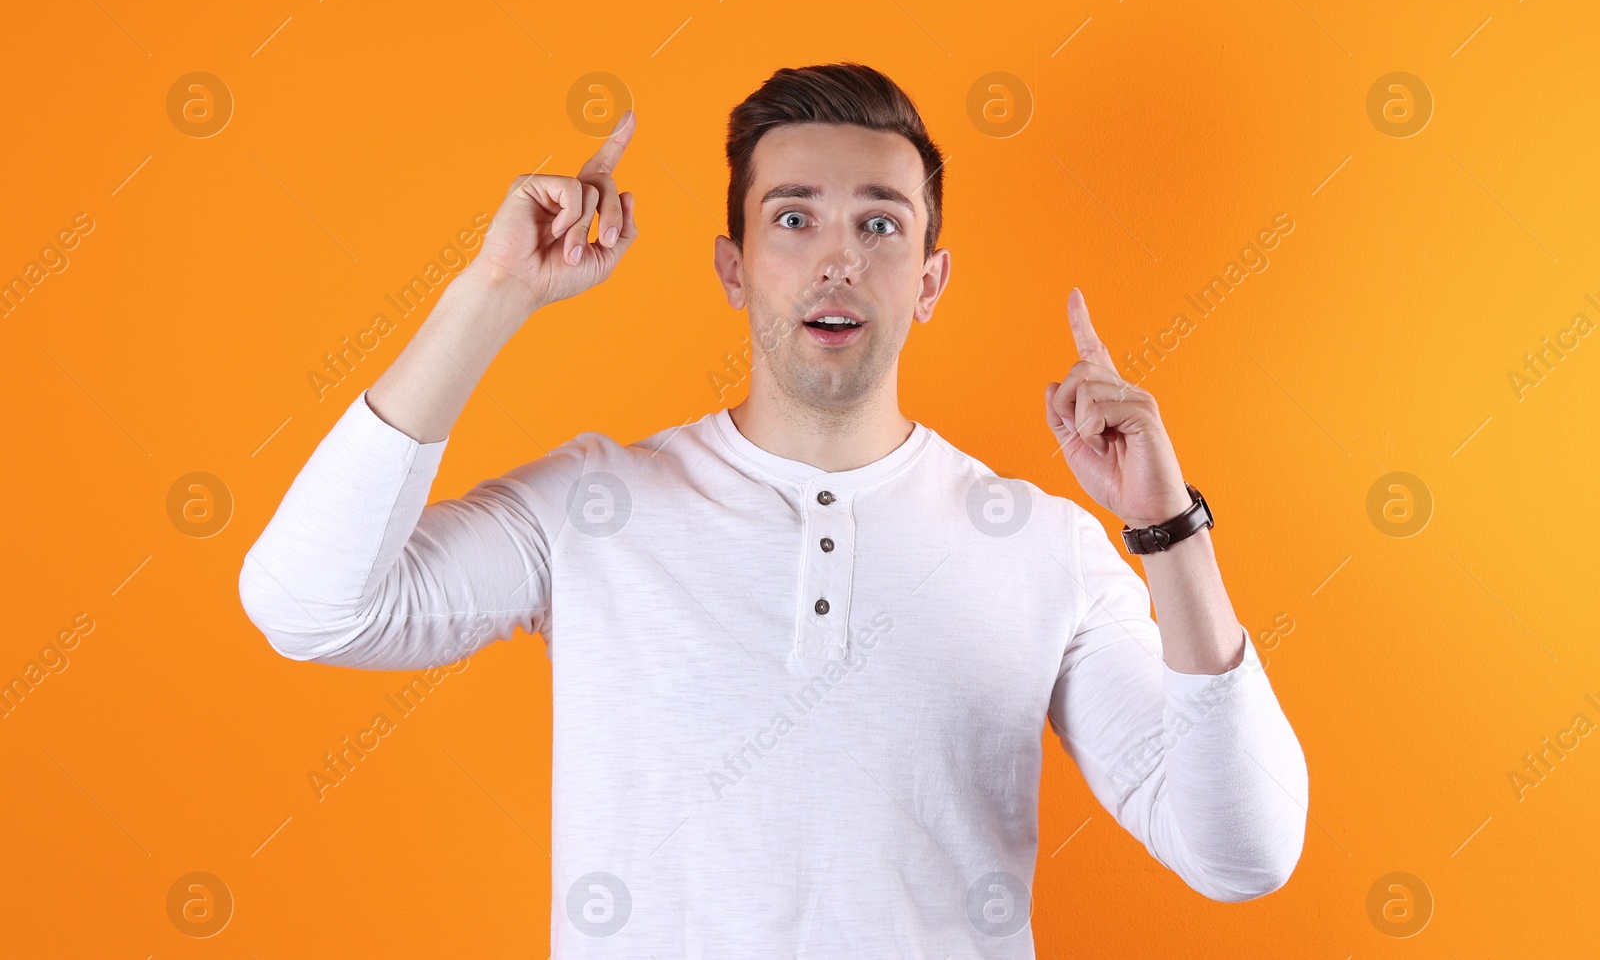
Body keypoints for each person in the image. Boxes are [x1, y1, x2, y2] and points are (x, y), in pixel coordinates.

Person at [239, 61, 1308, 957]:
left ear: (928, 282)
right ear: (734, 268)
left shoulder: (1040, 546)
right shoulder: (595, 506)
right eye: (792, 218)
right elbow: (310, 606)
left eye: (878, 224)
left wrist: (1166, 528)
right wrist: (492, 292)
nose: (837, 258)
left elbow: (1241, 852)